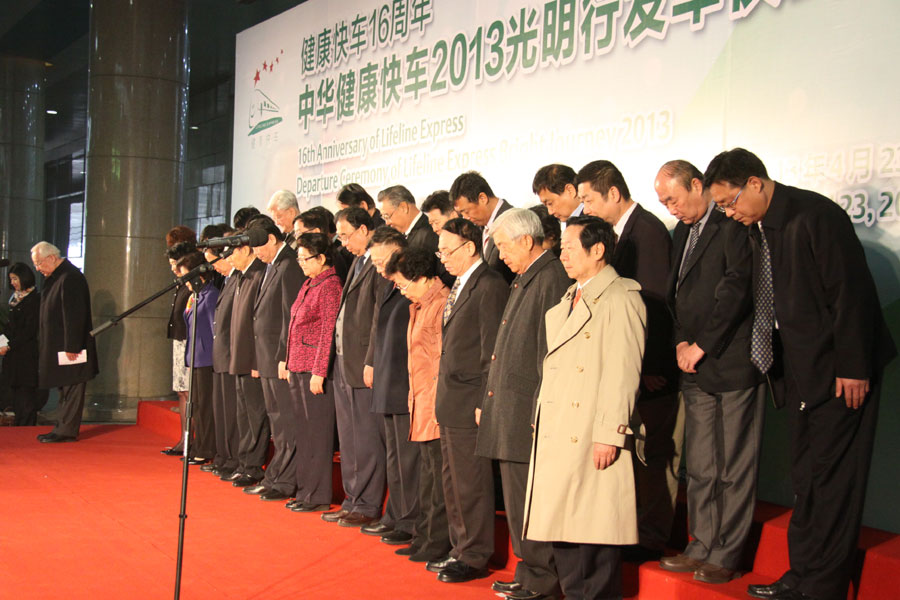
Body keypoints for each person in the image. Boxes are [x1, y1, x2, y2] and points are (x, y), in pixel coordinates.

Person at [704, 148, 897, 600]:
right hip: (802, 373)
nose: (730, 214)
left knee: (834, 482)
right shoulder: (760, 228)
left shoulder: (817, 216)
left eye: (730, 202)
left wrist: (852, 367)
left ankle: (823, 585)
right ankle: (802, 573)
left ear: (755, 182)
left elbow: (851, 296)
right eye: (722, 208)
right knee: (807, 477)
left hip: (841, 373)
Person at [523, 216, 646, 600]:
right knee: (566, 537)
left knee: (593, 540)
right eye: (562, 248)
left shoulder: (622, 297)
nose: (563, 256)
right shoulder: (569, 297)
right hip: (560, 434)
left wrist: (610, 434)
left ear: (598, 250)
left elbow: (623, 373)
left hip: (593, 435)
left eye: (571, 248)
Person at [654, 160, 766, 584]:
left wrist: (703, 344)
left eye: (673, 199)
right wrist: (682, 341)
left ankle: (725, 551)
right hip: (692, 364)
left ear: (696, 185)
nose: (671, 209)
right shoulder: (683, 230)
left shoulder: (733, 222)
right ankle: (699, 543)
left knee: (733, 465)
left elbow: (737, 290)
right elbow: (676, 296)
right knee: (700, 463)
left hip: (732, 362)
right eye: (664, 202)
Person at [576, 160, 681, 557]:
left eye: (588, 199)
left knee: (655, 454)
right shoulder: (622, 233)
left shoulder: (648, 232)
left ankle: (653, 535)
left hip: (652, 372)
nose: (584, 208)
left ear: (614, 194)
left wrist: (651, 367)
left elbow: (654, 304)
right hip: (633, 367)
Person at [476, 208, 569, 600]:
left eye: (502, 246)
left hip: (527, 410)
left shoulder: (549, 278)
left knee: (530, 499)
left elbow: (550, 353)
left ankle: (541, 580)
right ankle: (527, 571)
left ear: (526, 241)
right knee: (516, 499)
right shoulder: (526, 277)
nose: (499, 255)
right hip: (509, 406)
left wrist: (539, 410)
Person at [426, 217, 509, 584]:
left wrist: (483, 399)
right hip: (449, 398)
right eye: (439, 250)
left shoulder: (489, 284)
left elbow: (492, 349)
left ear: (470, 246)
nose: (441, 257)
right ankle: (460, 547)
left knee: (471, 483)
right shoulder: (460, 283)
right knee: (454, 482)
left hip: (470, 399)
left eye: (447, 250)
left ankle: (475, 554)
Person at [321, 207, 390, 528]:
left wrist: (372, 360)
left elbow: (379, 317)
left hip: (362, 365)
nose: (343, 242)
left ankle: (368, 503)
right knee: (348, 439)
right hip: (343, 363)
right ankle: (352, 498)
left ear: (364, 229)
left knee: (366, 439)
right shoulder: (358, 262)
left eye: (347, 235)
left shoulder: (378, 263)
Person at [384, 246, 453, 563]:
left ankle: (436, 542)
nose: (401, 290)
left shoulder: (441, 304)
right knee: (426, 478)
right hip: (420, 402)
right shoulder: (419, 305)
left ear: (423, 278)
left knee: (438, 482)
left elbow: (442, 360)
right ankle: (423, 536)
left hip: (436, 405)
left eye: (404, 283)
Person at [242, 215, 305, 502]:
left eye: (258, 249)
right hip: (266, 358)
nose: (257, 255)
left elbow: (289, 316)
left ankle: (285, 480)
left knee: (286, 422)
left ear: (271, 239)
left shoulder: (289, 265)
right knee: (277, 423)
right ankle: (276, 475)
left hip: (279, 359)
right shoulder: (273, 265)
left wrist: (283, 356)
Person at [363, 226, 418, 545]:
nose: (378, 266)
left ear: (399, 249)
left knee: (408, 459)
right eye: (375, 260)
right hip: (387, 378)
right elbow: (377, 327)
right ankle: (395, 514)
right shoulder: (387, 283)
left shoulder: (414, 283)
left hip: (405, 381)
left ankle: (409, 520)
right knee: (395, 457)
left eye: (382, 258)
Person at [285, 232, 342, 513]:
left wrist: (320, 370)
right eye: (298, 258)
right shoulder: (310, 283)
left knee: (317, 436)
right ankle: (304, 490)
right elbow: (295, 324)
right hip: (297, 365)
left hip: (314, 370)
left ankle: (317, 495)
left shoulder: (330, 286)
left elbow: (328, 331)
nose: (301, 263)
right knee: (304, 433)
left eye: (305, 258)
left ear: (321, 258)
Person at [32, 242, 99, 442]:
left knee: (73, 387)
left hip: (71, 347)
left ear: (51, 258)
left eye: (39, 263)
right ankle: (60, 427)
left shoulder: (70, 278)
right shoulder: (55, 277)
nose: (37, 268)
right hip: (58, 346)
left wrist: (72, 346)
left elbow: (75, 315)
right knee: (64, 386)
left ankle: (66, 431)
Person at [223, 234, 269, 489]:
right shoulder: (242, 275)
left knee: (255, 415)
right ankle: (244, 463)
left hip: (253, 359)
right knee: (243, 414)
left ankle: (253, 466)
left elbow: (258, 322)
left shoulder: (259, 274)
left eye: (233, 253)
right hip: (238, 357)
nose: (229, 259)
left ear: (246, 250)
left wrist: (254, 359)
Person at [202, 235, 242, 479]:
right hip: (221, 355)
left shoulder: (239, 278)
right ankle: (224, 457)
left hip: (232, 355)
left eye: (215, 261)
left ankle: (233, 459)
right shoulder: (228, 280)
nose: (214, 267)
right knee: (222, 412)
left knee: (233, 414)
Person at [175, 251, 220, 465]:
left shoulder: (210, 296)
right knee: (196, 404)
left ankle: (206, 447)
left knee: (205, 406)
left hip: (207, 358)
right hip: (194, 356)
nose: (185, 283)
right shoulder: (195, 296)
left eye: (187, 277)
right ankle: (197, 443)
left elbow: (215, 329)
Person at [162, 231, 196, 456]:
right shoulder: (181, 282)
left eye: (176, 263)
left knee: (189, 393)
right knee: (181, 392)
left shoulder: (194, 282)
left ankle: (191, 441)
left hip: (190, 342)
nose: (173, 268)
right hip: (179, 340)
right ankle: (183, 440)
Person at [449, 171, 515, 283]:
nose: (465, 218)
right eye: (461, 214)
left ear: (482, 198)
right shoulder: (480, 228)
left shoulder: (514, 221)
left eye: (466, 211)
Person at [0, 263, 42, 426]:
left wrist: (10, 345)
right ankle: (19, 424)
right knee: (15, 393)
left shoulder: (34, 300)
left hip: (26, 354)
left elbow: (29, 330)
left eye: (15, 279)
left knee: (26, 395)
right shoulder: (15, 298)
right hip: (13, 354)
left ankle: (26, 426)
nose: (13, 283)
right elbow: (9, 327)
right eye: (11, 279)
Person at [294, 207, 352, 284]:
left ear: (316, 232)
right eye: (295, 234)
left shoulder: (332, 258)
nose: (297, 238)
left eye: (299, 233)